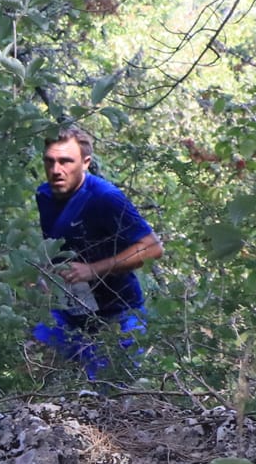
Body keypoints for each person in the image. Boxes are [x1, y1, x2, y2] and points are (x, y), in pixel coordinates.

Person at [30, 124, 164, 379]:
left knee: (114, 388)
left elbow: (153, 247)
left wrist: (93, 270)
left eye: (66, 161)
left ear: (86, 163)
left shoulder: (105, 197)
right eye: (49, 161)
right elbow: (59, 244)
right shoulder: (45, 194)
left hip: (118, 314)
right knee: (34, 365)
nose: (56, 170)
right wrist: (47, 273)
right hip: (69, 310)